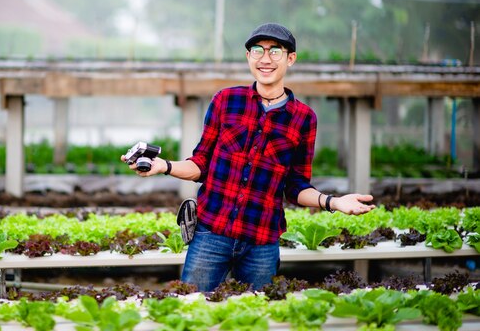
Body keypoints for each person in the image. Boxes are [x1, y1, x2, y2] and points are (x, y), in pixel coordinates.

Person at [122, 22, 375, 292]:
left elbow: (296, 187)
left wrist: (333, 202)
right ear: (248, 57)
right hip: (211, 235)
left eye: (275, 51)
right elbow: (201, 164)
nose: (265, 59)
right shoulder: (225, 101)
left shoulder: (303, 118)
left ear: (291, 59)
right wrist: (164, 165)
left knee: (256, 316)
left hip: (261, 243)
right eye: (257, 50)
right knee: (191, 309)